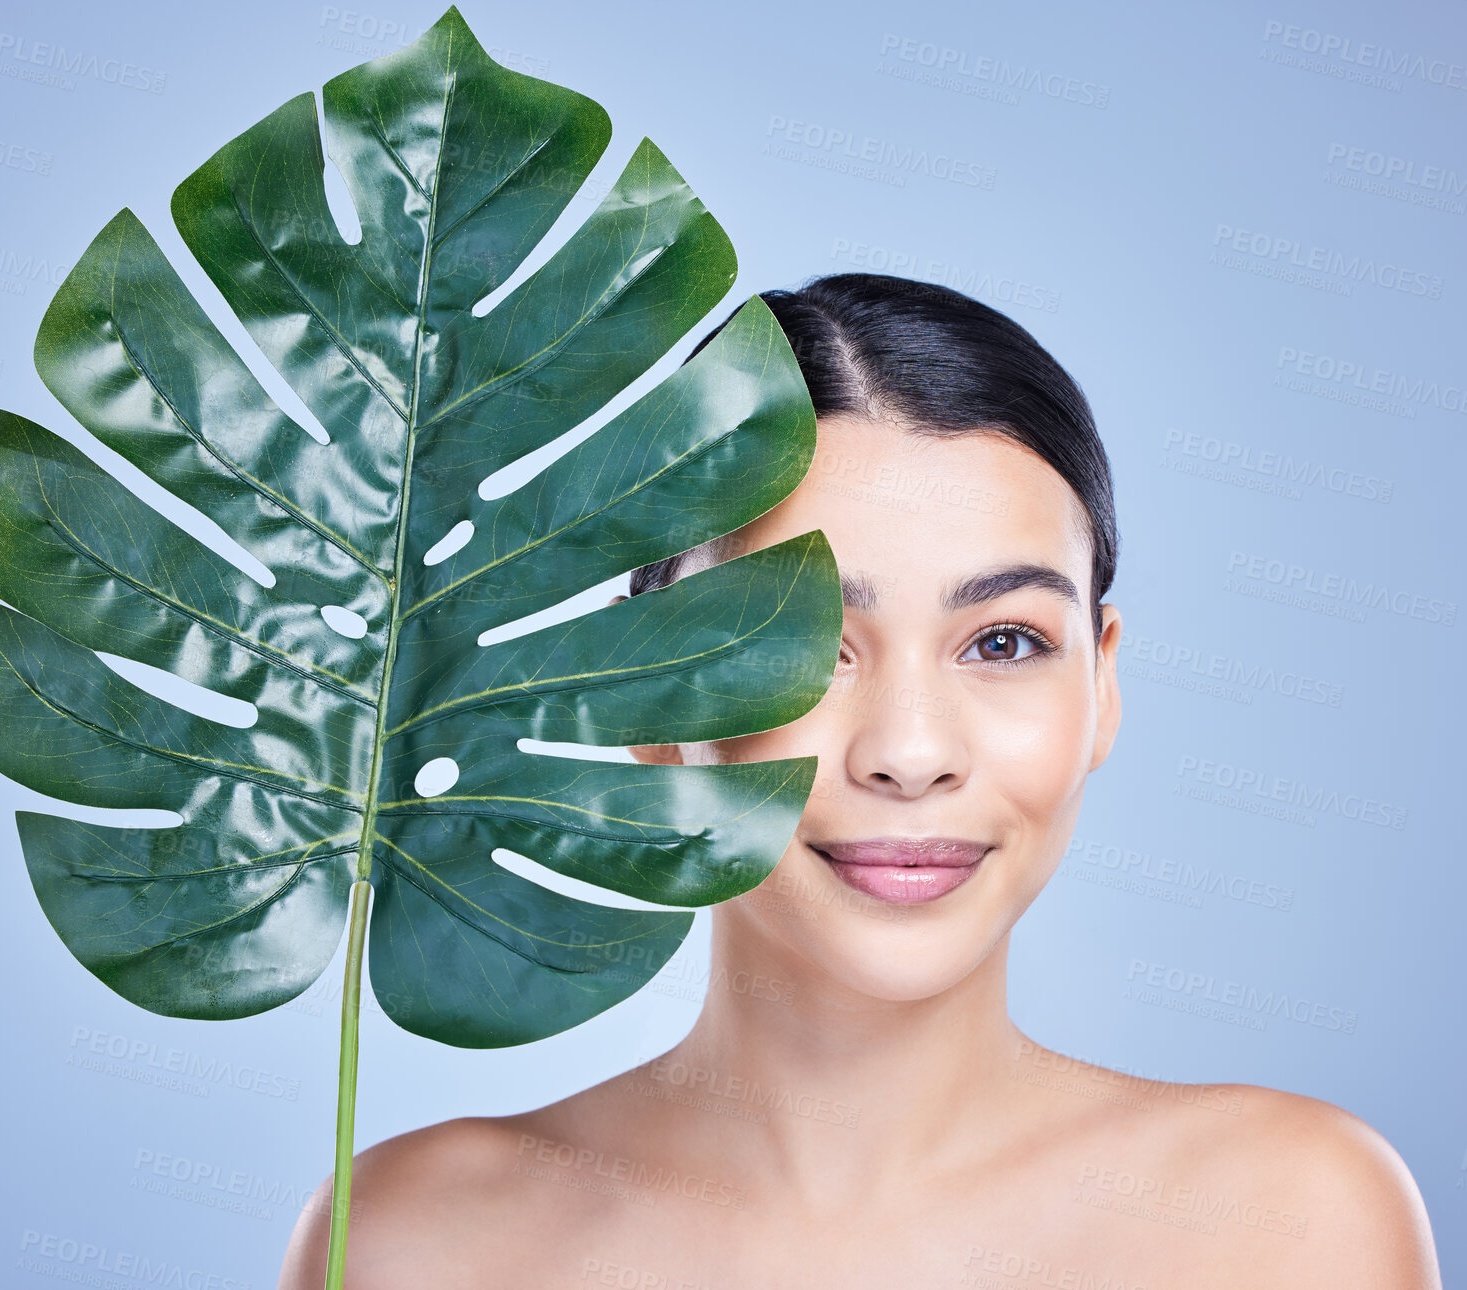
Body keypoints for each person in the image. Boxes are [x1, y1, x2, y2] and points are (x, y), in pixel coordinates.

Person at [279, 273, 1441, 1288]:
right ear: (641, 693)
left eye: (1003, 643)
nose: (911, 751)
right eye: (801, 644)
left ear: (1104, 687)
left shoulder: (1289, 1224)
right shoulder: (407, 1242)